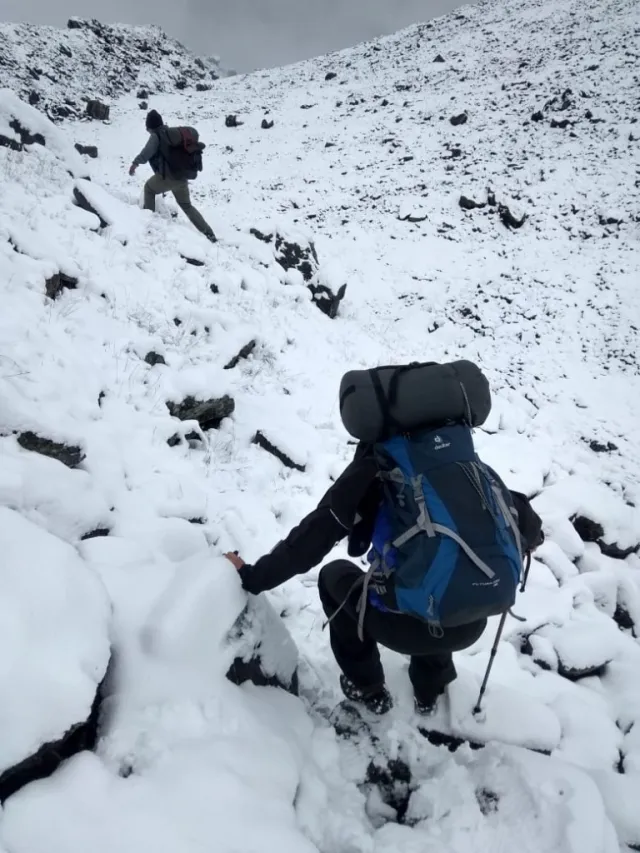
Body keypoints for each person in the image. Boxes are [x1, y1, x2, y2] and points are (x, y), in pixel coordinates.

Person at [225, 428, 543, 717]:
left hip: (403, 628)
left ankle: (369, 689)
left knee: (333, 576)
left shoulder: (373, 472)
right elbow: (532, 531)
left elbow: (306, 544)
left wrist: (251, 576)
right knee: (442, 580)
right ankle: (429, 690)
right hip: (472, 620)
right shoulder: (472, 474)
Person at [129, 110, 216, 242]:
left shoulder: (156, 136)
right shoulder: (170, 136)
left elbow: (147, 152)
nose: (147, 131)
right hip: (182, 178)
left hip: (168, 177)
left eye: (148, 128)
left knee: (149, 189)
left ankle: (149, 224)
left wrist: (135, 163)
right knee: (187, 206)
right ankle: (209, 233)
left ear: (151, 126)